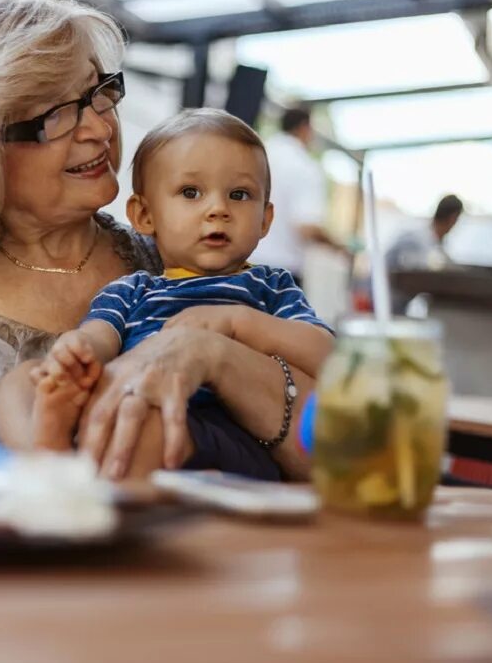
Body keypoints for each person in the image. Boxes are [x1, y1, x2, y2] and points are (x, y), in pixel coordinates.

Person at [0, 0, 317, 484]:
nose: (99, 128)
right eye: (55, 113)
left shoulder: (187, 260)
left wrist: (217, 353)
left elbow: (338, 447)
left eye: (98, 92)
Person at [28, 109, 334, 480]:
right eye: (191, 192)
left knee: (146, 426)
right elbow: (100, 335)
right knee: (24, 383)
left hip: (230, 435)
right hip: (128, 406)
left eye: (239, 195)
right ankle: (52, 448)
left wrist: (238, 323)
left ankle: (70, 481)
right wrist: (76, 354)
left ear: (265, 220)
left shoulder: (271, 286)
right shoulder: (134, 290)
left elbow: (329, 359)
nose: (218, 209)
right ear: (144, 215)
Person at [249, 107, 342, 283]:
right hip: (280, 272)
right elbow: (306, 227)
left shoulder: (257, 156)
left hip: (241, 263)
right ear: (304, 127)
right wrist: (338, 247)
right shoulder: (305, 166)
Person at [386, 194, 464, 313]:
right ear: (453, 218)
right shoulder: (416, 239)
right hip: (384, 301)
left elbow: (447, 265)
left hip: (400, 305)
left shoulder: (437, 244)